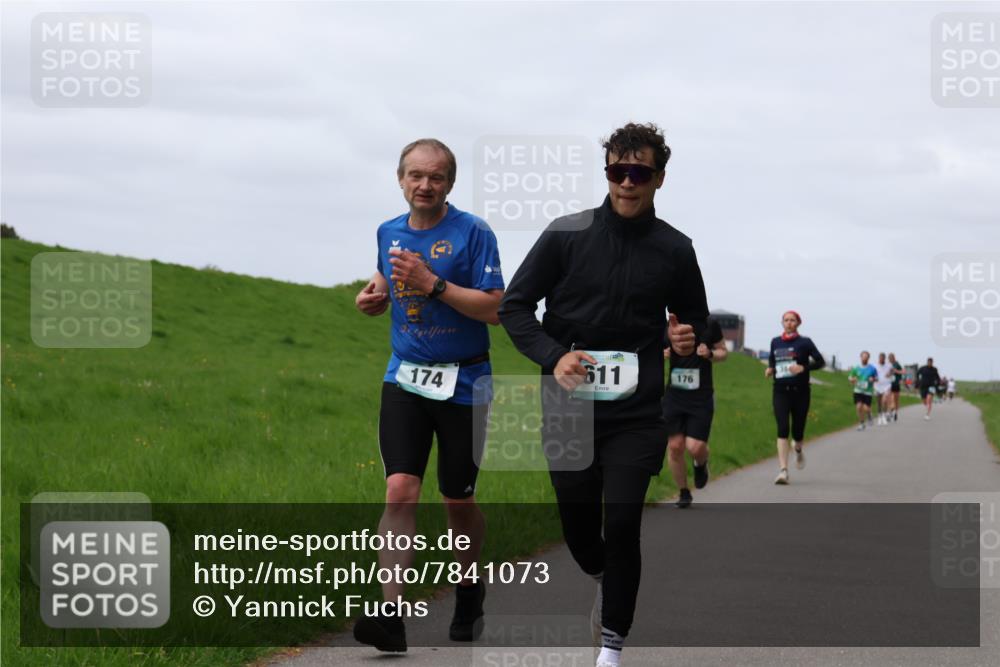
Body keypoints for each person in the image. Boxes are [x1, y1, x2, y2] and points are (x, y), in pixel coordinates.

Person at [499, 122, 708, 667]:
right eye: (619, 171)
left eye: (640, 172)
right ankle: (604, 577)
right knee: (578, 525)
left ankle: (611, 646)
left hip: (637, 412)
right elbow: (514, 307)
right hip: (568, 405)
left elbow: (695, 320)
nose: (628, 182)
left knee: (621, 521)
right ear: (607, 172)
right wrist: (554, 355)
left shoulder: (675, 249)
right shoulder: (566, 234)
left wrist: (686, 339)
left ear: (659, 178)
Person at [352, 138, 505, 652]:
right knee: (400, 488)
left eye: (435, 177)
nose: (425, 185)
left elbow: (494, 308)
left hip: (465, 381)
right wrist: (373, 294)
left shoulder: (474, 233)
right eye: (415, 175)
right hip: (406, 378)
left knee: (457, 497)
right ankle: (391, 615)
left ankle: (468, 585)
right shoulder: (387, 231)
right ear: (400, 179)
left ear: (450, 183)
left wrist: (431, 283)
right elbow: (386, 275)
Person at [663, 315, 728, 507]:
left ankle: (700, 465)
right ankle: (684, 492)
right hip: (674, 395)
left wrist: (710, 354)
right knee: (675, 446)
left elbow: (723, 352)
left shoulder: (710, 324)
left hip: (701, 396)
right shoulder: (668, 326)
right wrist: (663, 353)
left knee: (695, 447)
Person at [765, 311, 825, 485]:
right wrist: (770, 369)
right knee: (782, 428)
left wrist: (803, 368)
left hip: (801, 392)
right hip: (780, 391)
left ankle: (798, 449)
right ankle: (783, 470)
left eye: (792, 320)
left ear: (798, 323)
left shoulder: (805, 342)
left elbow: (820, 361)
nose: (789, 323)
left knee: (797, 432)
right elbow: (772, 360)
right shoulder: (775, 342)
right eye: (786, 320)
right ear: (782, 323)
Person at [848, 351, 878, 431]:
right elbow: (850, 377)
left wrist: (873, 379)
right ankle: (862, 423)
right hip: (858, 390)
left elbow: (877, 378)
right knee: (858, 407)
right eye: (863, 356)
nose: (864, 358)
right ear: (860, 357)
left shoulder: (872, 369)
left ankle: (869, 415)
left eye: (866, 357)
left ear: (868, 358)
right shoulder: (856, 368)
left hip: (868, 391)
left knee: (866, 408)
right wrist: (852, 379)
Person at [874, 352, 894, 426]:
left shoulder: (888, 365)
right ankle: (880, 417)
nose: (881, 360)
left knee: (885, 400)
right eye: (880, 358)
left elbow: (892, 370)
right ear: (879, 358)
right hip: (877, 385)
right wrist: (874, 377)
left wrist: (889, 374)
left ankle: (884, 416)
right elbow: (872, 373)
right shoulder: (874, 365)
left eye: (883, 358)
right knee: (879, 402)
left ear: (884, 359)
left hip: (886, 385)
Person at [888, 352, 903, 421]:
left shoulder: (897, 364)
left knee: (896, 400)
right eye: (890, 358)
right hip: (889, 384)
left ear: (894, 358)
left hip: (896, 384)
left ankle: (895, 413)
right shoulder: (887, 365)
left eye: (892, 358)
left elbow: (903, 372)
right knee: (892, 398)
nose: (891, 359)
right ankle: (891, 412)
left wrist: (896, 371)